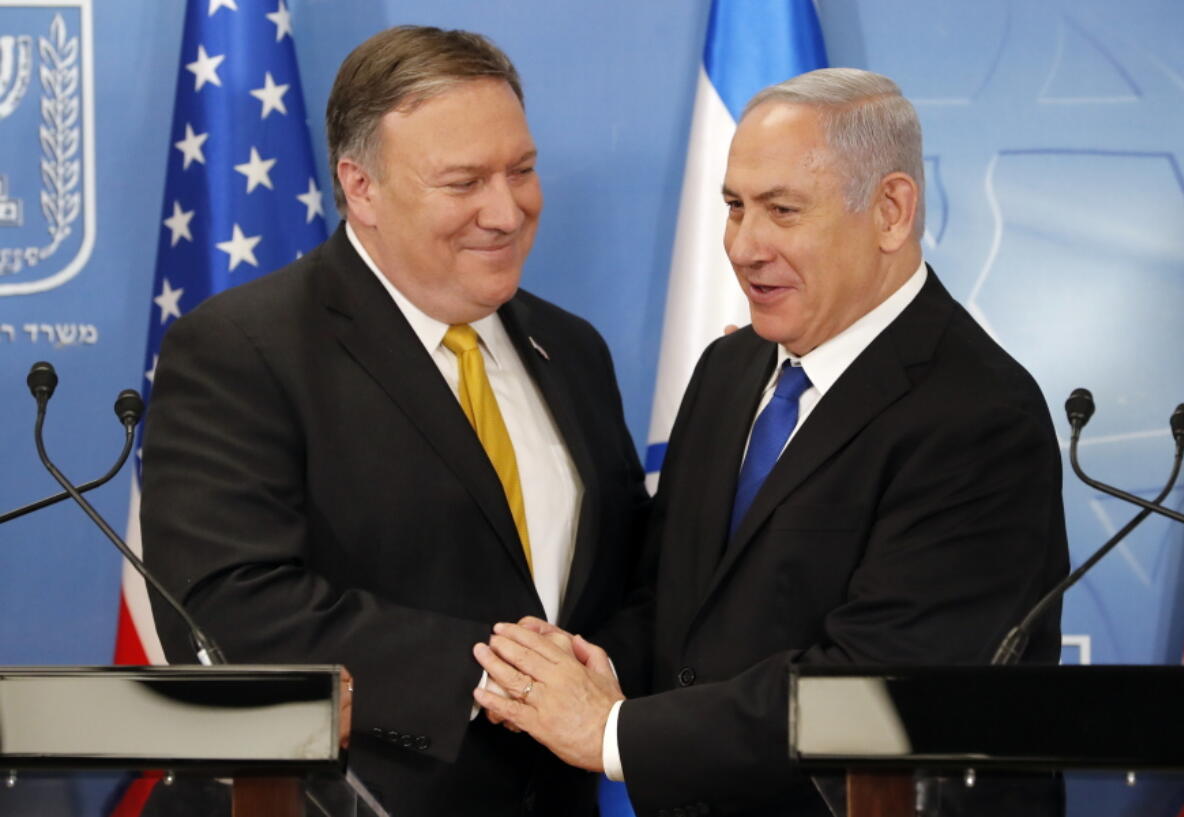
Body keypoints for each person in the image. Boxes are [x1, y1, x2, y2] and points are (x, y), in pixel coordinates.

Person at [474, 67, 1070, 816]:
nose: (745, 247)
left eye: (782, 210)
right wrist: (564, 669)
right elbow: (671, 597)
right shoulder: (731, 367)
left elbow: (876, 685)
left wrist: (614, 730)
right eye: (734, 207)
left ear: (890, 210)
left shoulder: (980, 416)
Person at [141, 26, 649, 817]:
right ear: (361, 187)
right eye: (463, 182)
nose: (507, 209)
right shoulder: (243, 348)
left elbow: (622, 575)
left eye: (522, 170)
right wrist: (500, 676)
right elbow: (228, 609)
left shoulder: (572, 349)